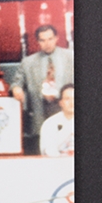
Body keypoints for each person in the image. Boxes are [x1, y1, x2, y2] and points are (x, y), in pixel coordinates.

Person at [10, 25, 74, 155]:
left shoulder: (71, 57)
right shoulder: (28, 62)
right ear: (38, 41)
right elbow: (16, 82)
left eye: (50, 39)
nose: (47, 44)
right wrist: (16, 89)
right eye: (43, 40)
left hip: (66, 109)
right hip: (39, 110)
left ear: (57, 38)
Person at [39, 84, 75, 157]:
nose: (72, 103)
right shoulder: (49, 124)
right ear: (60, 102)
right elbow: (47, 152)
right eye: (67, 99)